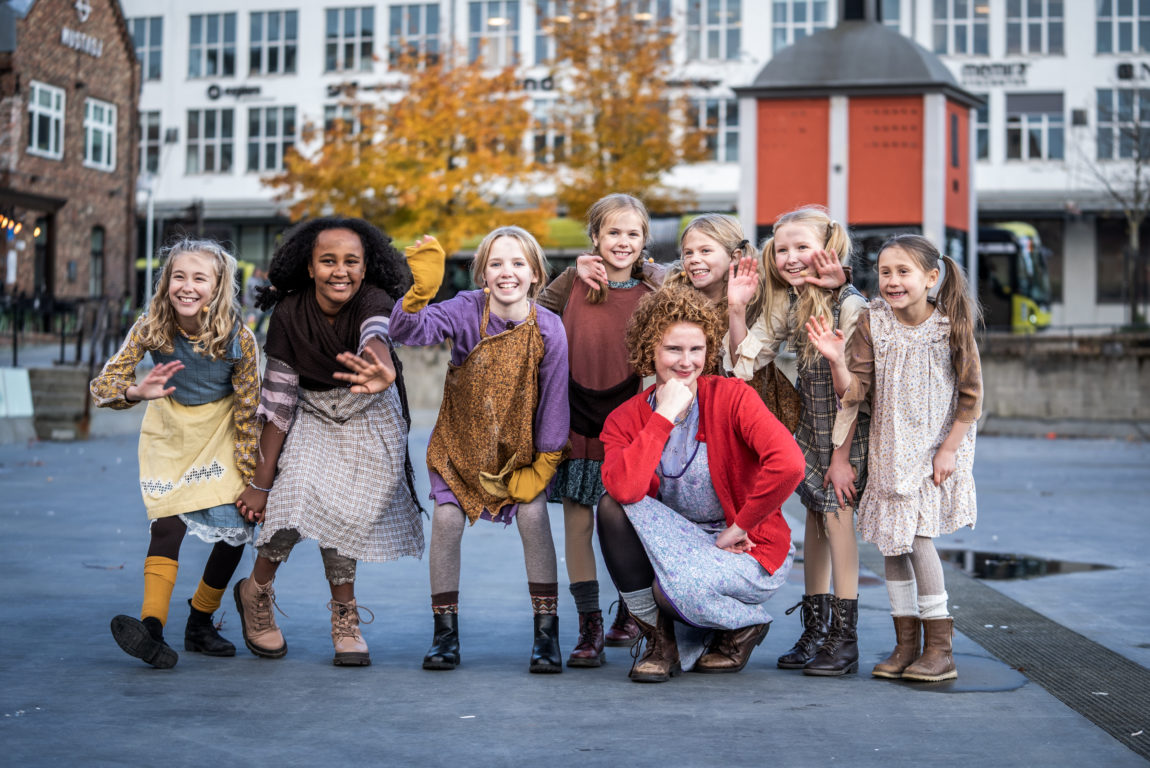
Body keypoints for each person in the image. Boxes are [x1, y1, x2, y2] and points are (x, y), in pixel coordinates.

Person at [233, 217, 424, 667]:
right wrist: (261, 485)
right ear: (309, 267)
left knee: (341, 508)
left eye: (351, 262)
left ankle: (345, 616)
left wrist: (383, 368)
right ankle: (255, 591)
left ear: (366, 266)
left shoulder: (373, 299)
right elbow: (279, 404)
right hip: (311, 411)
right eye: (328, 261)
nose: (341, 271)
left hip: (369, 411)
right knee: (294, 495)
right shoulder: (288, 314)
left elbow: (375, 334)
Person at [597, 283, 805, 683]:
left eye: (696, 349)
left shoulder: (734, 397)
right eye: (673, 349)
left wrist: (741, 525)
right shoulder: (624, 419)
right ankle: (661, 644)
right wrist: (663, 416)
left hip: (745, 545)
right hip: (676, 542)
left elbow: (789, 464)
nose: (686, 362)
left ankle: (744, 624)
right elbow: (624, 492)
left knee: (671, 591)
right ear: (649, 350)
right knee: (610, 507)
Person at [389, 226, 571, 674]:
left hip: (519, 455)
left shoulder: (549, 328)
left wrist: (545, 463)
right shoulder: (466, 310)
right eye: (495, 263)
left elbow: (553, 402)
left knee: (534, 518)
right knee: (447, 522)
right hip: (459, 448)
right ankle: (444, 636)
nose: (506, 272)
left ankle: (547, 635)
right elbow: (407, 331)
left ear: (535, 274)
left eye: (517, 264)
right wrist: (418, 294)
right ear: (481, 273)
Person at [806, 233, 982, 682]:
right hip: (890, 446)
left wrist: (948, 451)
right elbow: (855, 393)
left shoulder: (950, 325)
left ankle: (939, 650)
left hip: (933, 451)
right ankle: (906, 646)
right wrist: (836, 361)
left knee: (919, 539)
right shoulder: (873, 322)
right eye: (885, 272)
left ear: (931, 277)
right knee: (891, 543)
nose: (892, 281)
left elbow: (971, 396)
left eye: (903, 272)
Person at [92, 238, 259, 669]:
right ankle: (151, 627)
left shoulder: (238, 338)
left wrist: (252, 480)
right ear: (166, 282)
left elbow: (247, 411)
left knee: (234, 528)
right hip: (170, 429)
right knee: (167, 525)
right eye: (178, 276)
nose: (187, 286)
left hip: (222, 430)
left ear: (219, 286)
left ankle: (200, 622)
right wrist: (135, 390)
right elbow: (102, 387)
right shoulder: (150, 326)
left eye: (199, 278)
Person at [727, 207, 870, 676]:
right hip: (811, 424)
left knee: (838, 520)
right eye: (782, 249)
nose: (790, 258)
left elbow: (856, 393)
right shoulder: (787, 302)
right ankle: (815, 629)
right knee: (815, 518)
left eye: (802, 247)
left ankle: (844, 641)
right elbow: (744, 362)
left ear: (829, 249)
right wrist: (735, 308)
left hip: (846, 427)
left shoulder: (849, 303)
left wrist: (843, 457)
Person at [537, 193, 663, 666]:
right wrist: (573, 270)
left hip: (629, 419)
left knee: (628, 520)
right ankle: (588, 623)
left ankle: (633, 609)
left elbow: (684, 297)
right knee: (577, 521)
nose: (623, 241)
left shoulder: (655, 288)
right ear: (595, 237)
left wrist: (648, 270)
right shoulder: (572, 283)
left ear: (644, 240)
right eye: (613, 232)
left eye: (633, 233)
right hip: (574, 415)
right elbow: (525, 311)